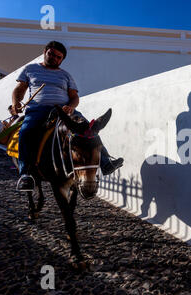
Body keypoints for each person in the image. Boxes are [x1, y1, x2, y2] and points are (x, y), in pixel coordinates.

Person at [11, 41, 123, 191]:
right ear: (45, 52)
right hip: (38, 110)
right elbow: (19, 89)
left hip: (65, 111)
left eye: (58, 57)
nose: (54, 58)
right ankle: (25, 175)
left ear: (61, 59)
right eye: (51, 54)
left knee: (90, 129)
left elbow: (74, 97)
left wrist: (71, 107)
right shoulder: (30, 69)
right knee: (26, 131)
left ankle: (105, 162)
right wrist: (15, 103)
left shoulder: (65, 75)